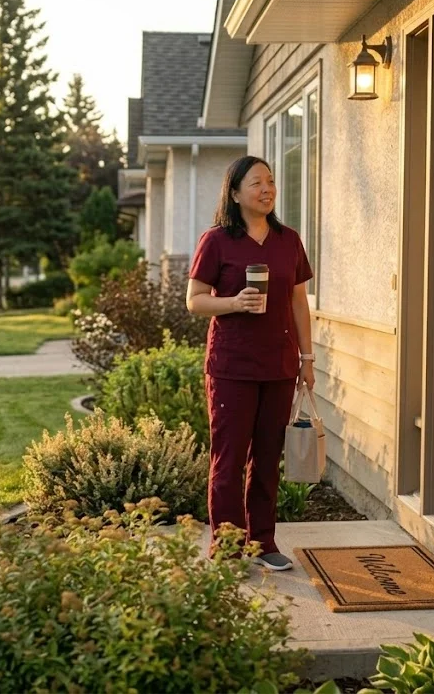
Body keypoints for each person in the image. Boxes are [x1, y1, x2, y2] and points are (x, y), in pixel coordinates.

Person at [186, 155, 314, 571]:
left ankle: (263, 543)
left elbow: (298, 302)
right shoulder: (218, 240)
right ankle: (226, 548)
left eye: (271, 181)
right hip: (232, 367)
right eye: (257, 182)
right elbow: (195, 300)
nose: (267, 189)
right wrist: (233, 302)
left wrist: (306, 358)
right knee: (229, 462)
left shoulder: (288, 240)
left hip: (278, 366)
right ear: (236, 192)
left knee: (266, 460)